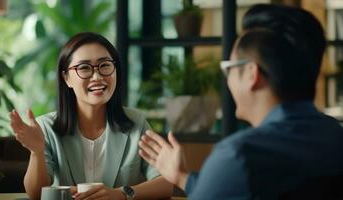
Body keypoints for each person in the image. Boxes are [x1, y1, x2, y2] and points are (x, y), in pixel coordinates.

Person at [139, 4, 343, 199]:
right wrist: (181, 178)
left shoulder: (239, 156)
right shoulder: (335, 136)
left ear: (251, 74)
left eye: (230, 68)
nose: (227, 80)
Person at [9, 32, 172, 200]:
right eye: (84, 68)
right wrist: (37, 152)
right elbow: (36, 194)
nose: (97, 76)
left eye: (105, 65)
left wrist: (120, 194)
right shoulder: (47, 127)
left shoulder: (136, 123)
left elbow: (166, 183)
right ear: (66, 78)